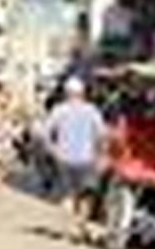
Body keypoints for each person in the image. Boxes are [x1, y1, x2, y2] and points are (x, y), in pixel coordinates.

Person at [40, 77, 109, 239]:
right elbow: (101, 135)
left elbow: (44, 134)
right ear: (83, 93)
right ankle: (80, 227)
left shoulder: (59, 110)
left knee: (67, 195)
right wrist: (101, 156)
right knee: (86, 195)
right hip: (87, 159)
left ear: (66, 93)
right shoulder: (92, 110)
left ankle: (65, 230)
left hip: (64, 158)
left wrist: (53, 150)